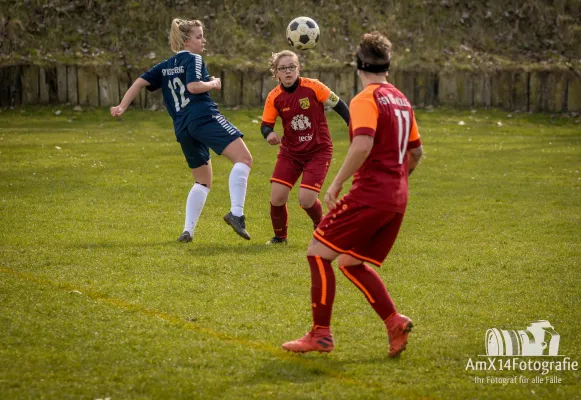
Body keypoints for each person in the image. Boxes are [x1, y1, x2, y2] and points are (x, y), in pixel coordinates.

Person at [282, 32, 424, 357]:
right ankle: (394, 322)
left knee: (317, 253)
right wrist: (396, 182)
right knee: (350, 261)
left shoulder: (366, 99)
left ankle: (320, 334)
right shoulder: (402, 99)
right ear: (387, 65)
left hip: (371, 195)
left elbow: (362, 144)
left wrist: (336, 184)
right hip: (397, 198)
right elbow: (416, 154)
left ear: (358, 65)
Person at [110, 18, 252, 242]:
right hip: (204, 117)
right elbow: (193, 87)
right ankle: (236, 214)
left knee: (202, 181)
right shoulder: (194, 58)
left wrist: (122, 106)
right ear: (187, 41)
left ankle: (188, 231)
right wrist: (214, 83)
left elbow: (139, 82)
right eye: (199, 36)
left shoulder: (166, 65)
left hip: (183, 127)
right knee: (244, 158)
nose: (203, 40)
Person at [261, 50, 350, 245]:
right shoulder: (274, 96)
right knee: (277, 197)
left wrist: (354, 125)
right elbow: (266, 124)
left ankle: (322, 230)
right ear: (276, 73)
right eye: (283, 68)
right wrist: (270, 134)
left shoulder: (314, 87)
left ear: (298, 68)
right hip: (290, 152)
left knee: (306, 199)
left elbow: (339, 105)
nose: (288, 71)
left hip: (318, 150)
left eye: (292, 67)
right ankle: (280, 238)